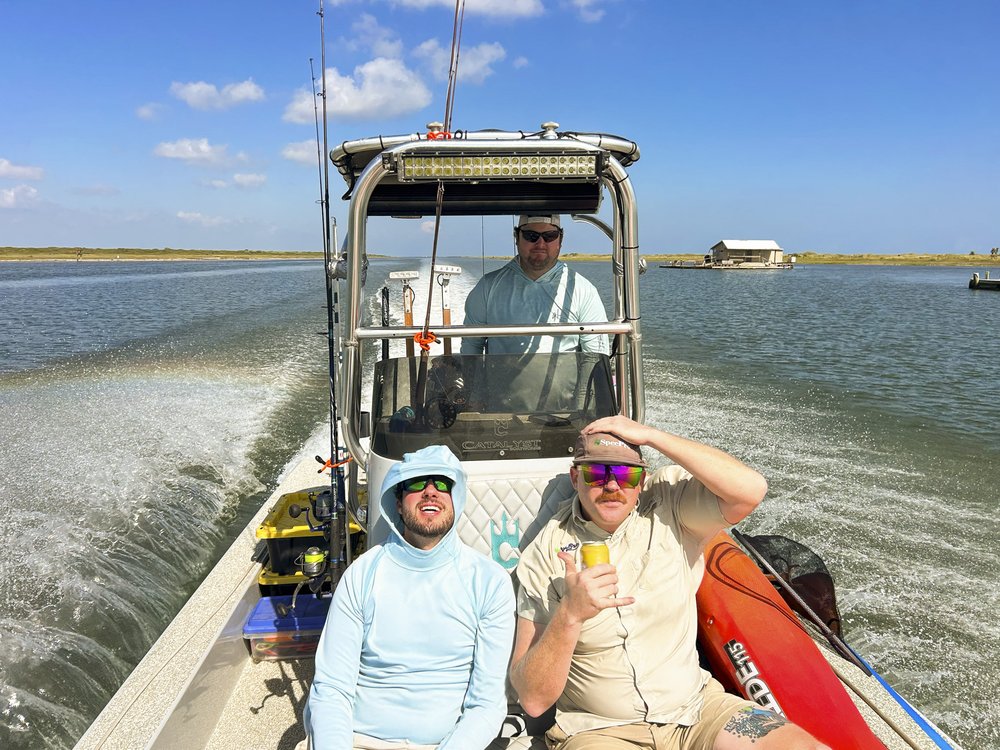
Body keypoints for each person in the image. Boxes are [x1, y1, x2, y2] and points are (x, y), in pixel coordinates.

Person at [509, 416, 829, 750]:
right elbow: (532, 699)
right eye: (597, 473)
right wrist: (570, 616)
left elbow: (750, 490)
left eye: (625, 474)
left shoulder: (670, 505)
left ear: (641, 479)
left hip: (698, 710)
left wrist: (652, 436)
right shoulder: (544, 555)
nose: (612, 486)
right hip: (602, 731)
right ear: (576, 477)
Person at [305, 445, 516, 749]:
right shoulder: (360, 576)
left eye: (442, 483)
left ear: (455, 500)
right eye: (417, 483)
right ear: (399, 504)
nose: (431, 491)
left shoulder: (490, 582)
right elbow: (332, 688)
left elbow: (487, 704)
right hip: (360, 740)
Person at [460, 215, 609, 356]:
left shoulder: (583, 290)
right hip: (499, 383)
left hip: (565, 384)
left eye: (550, 236)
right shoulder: (487, 287)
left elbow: (595, 355)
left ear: (560, 239)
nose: (540, 244)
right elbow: (471, 347)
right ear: (516, 237)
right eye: (531, 236)